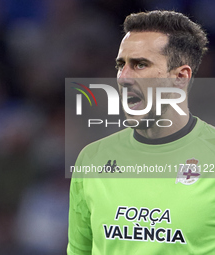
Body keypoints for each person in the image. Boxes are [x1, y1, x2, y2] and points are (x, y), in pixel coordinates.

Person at [67, 10, 215, 254]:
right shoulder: (92, 159)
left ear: (180, 77)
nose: (123, 78)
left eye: (140, 65)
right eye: (120, 65)